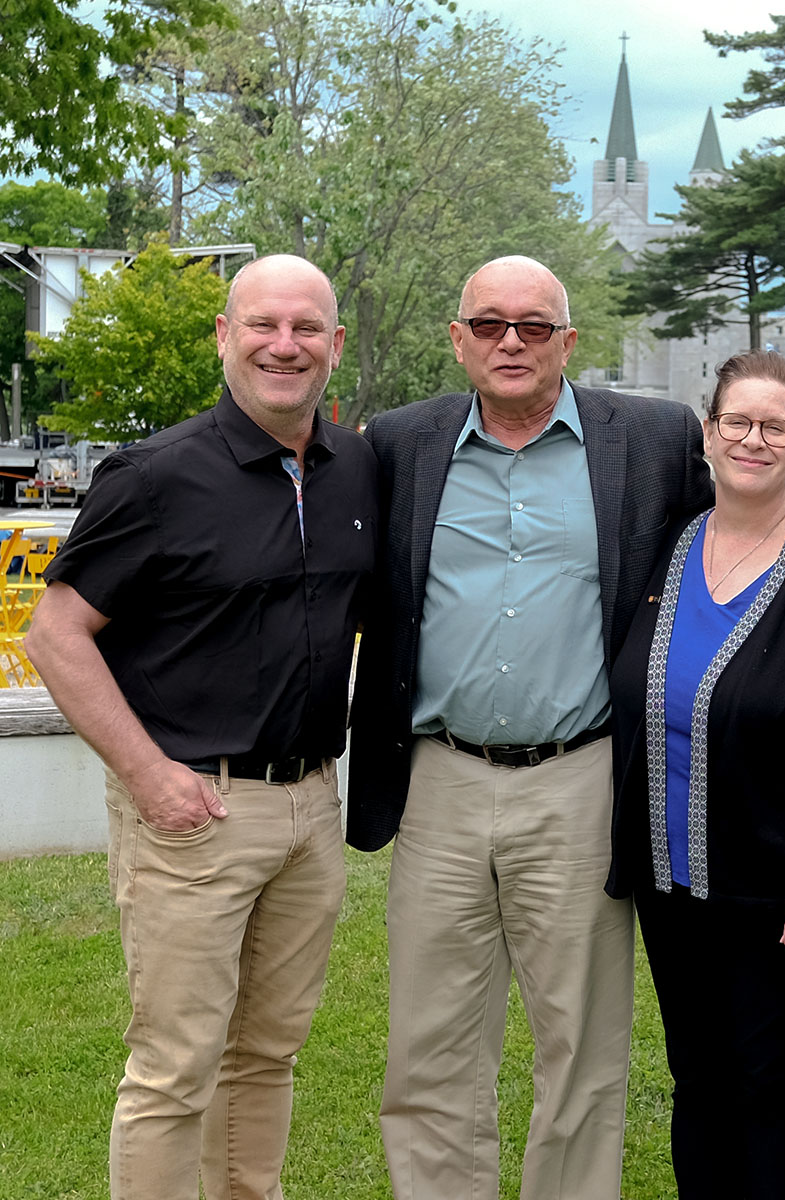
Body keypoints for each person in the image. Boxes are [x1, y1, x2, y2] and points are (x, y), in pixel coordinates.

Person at [348, 256, 785, 1200]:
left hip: (581, 784)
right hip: (439, 782)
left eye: (534, 325)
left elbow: (754, 507)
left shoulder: (646, 438)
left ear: (569, 341)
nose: (511, 342)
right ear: (458, 338)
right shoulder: (400, 442)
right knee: (429, 1047)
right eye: (489, 323)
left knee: (582, 1050)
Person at [26, 254, 377, 1200]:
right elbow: (55, 634)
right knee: (175, 1068)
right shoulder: (154, 477)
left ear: (336, 345)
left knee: (267, 1053)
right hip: (194, 810)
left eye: (306, 328)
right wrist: (150, 777)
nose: (284, 345)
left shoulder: (354, 470)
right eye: (263, 324)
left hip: (311, 808)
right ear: (225, 335)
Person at [606, 350, 785, 1200]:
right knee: (696, 1082)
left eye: (777, 426)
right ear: (708, 432)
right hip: (672, 887)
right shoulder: (667, 545)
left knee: (770, 1091)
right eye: (737, 421)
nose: (754, 440)